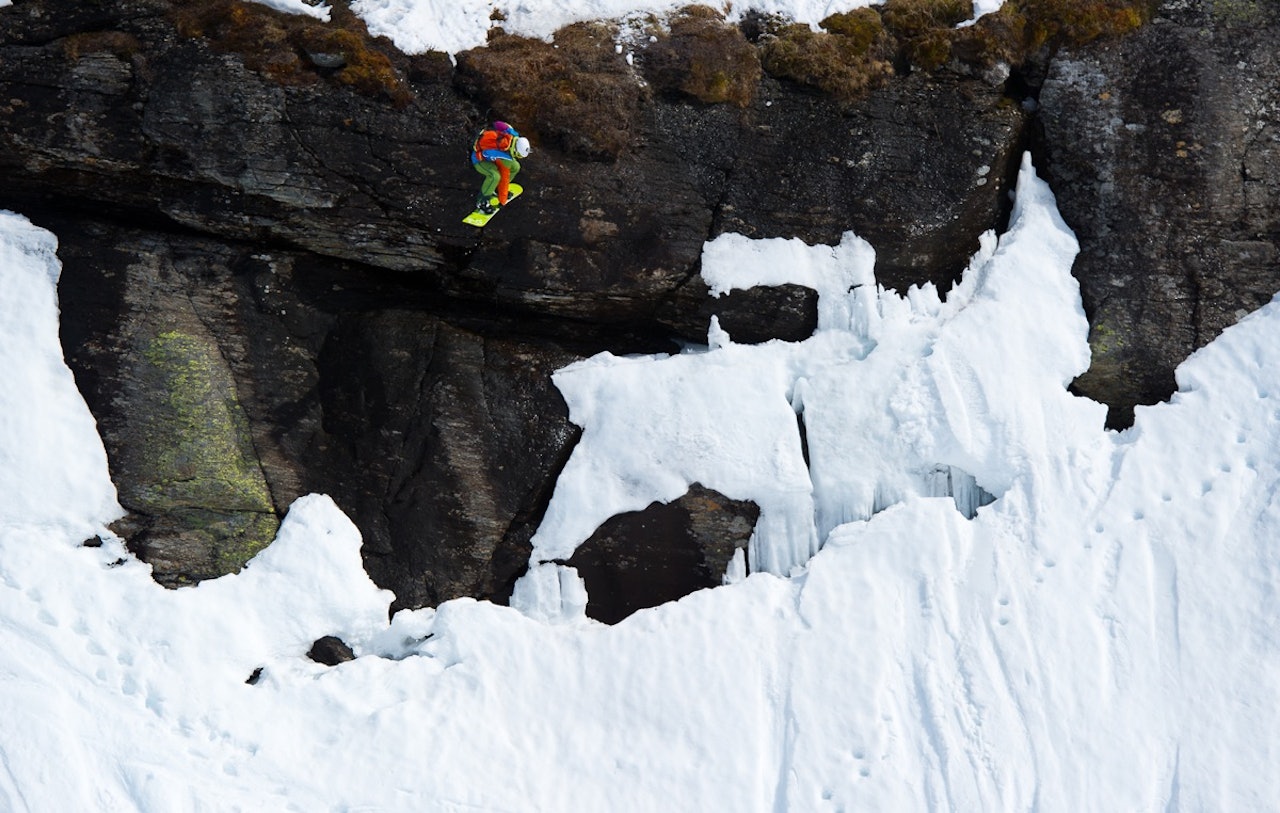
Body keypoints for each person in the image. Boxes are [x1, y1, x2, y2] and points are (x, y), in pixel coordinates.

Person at [471, 120, 531, 214]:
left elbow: (500, 124)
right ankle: (482, 201)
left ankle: (494, 189)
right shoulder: (504, 156)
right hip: (479, 160)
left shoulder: (513, 135)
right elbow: (504, 177)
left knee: (516, 166)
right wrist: (502, 200)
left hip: (490, 157)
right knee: (495, 176)